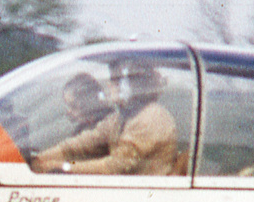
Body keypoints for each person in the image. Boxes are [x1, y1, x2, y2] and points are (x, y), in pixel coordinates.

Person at [32, 62, 178, 175]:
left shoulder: (150, 118)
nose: (109, 85)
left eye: (115, 81)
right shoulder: (120, 118)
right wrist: (38, 159)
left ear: (130, 85)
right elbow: (83, 143)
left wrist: (60, 167)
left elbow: (113, 167)